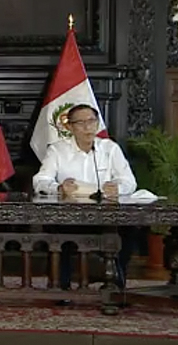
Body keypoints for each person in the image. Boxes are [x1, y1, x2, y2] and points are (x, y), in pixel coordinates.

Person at [32, 104, 139, 290]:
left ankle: (114, 283)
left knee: (129, 231)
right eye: (80, 123)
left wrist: (118, 188)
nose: (87, 127)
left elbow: (129, 181)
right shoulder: (57, 150)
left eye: (91, 121)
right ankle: (61, 286)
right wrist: (59, 188)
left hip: (106, 216)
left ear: (97, 124)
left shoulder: (110, 148)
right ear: (70, 127)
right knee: (58, 235)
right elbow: (40, 180)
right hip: (69, 216)